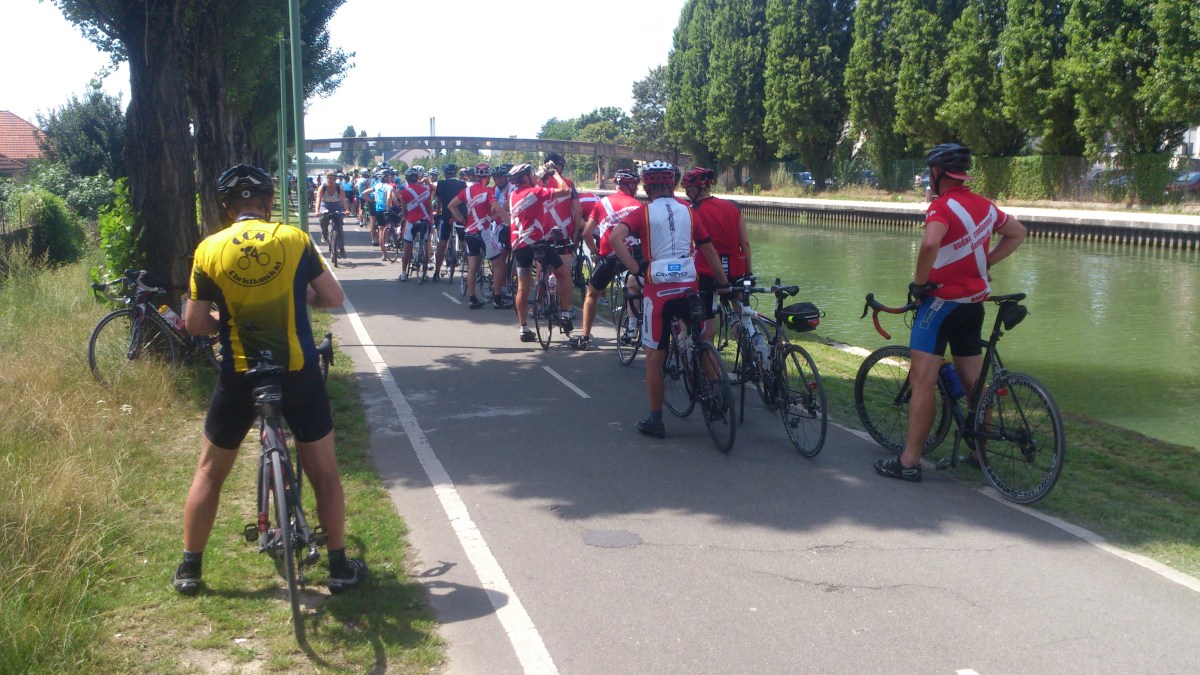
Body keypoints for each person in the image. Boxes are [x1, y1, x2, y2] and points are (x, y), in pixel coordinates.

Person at [173, 164, 367, 596]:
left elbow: (196, 324)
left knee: (209, 472)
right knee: (324, 470)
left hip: (240, 374)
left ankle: (190, 569)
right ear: (267, 203)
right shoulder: (293, 239)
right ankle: (337, 565)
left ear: (226, 208)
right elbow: (333, 298)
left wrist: (228, 318)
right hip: (297, 371)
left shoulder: (208, 249)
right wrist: (301, 296)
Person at [874, 143, 1028, 482]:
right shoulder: (986, 207)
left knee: (923, 380)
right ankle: (979, 452)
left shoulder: (941, 208)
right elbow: (1018, 233)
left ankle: (910, 461)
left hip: (940, 306)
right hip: (973, 306)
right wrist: (986, 261)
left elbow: (930, 243)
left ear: (937, 174)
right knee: (974, 383)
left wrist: (919, 284)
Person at [608, 161, 728, 438]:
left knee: (654, 358)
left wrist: (636, 270)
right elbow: (708, 250)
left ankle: (656, 421)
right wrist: (723, 282)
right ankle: (719, 396)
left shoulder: (644, 212)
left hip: (658, 291)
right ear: (672, 185)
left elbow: (615, 237)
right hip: (689, 286)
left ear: (646, 187)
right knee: (702, 340)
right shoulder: (689, 211)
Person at [570, 168, 644, 350]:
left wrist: (595, 251)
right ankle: (634, 328)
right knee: (637, 287)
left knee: (592, 294)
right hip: (631, 255)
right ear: (632, 186)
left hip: (608, 257)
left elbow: (587, 233)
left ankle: (585, 337)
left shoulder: (602, 203)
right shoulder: (639, 206)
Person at [682, 167, 752, 347]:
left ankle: (708, 355)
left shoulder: (692, 212)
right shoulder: (733, 207)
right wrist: (748, 272)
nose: (688, 194)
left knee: (707, 326)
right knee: (742, 311)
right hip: (736, 270)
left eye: (689, 190)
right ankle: (751, 347)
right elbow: (745, 243)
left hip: (707, 273)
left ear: (697, 189)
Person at [507, 161, 571, 341]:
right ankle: (565, 315)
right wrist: (555, 173)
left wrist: (543, 174)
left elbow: (537, 183)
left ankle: (523, 328)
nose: (535, 176)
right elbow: (565, 190)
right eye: (531, 174)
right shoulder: (535, 193)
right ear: (526, 178)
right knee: (564, 274)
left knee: (522, 287)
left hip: (519, 246)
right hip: (537, 244)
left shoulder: (514, 195)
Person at [448, 163, 505, 308]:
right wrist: (508, 220)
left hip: (469, 232)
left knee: (472, 267)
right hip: (484, 232)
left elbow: (451, 205)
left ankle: (472, 299)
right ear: (488, 176)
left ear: (475, 175)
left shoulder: (466, 191)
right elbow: (497, 207)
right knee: (498, 264)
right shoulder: (488, 191)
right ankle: (498, 299)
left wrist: (461, 218)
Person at [398, 166, 435, 281]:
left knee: (407, 246)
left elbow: (404, 210)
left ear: (408, 179)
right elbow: (429, 208)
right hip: (425, 221)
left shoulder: (405, 192)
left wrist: (405, 219)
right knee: (425, 244)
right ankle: (425, 272)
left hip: (412, 222)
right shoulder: (426, 191)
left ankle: (404, 273)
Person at [433, 163, 466, 281]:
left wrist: (437, 211)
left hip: (446, 216)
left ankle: (436, 272)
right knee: (463, 242)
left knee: (442, 244)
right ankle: (467, 265)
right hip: (459, 216)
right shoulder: (462, 184)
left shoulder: (441, 183)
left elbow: (439, 201)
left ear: (446, 174)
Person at [315, 171, 348, 255]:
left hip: (337, 205)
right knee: (324, 217)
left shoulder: (339, 188)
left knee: (339, 227)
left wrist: (347, 210)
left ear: (336, 179)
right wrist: (317, 211)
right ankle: (324, 233)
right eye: (329, 178)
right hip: (325, 205)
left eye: (333, 179)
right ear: (327, 179)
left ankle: (341, 248)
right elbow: (318, 199)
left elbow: (344, 200)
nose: (331, 180)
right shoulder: (323, 187)